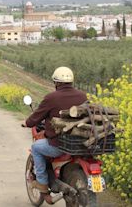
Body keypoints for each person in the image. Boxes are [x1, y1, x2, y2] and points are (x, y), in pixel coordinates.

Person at [24, 67, 87, 204]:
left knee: (36, 148)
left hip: (59, 145)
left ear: (56, 83)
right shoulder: (83, 96)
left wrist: (27, 123)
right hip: (81, 143)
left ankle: (43, 187)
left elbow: (36, 117)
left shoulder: (51, 98)